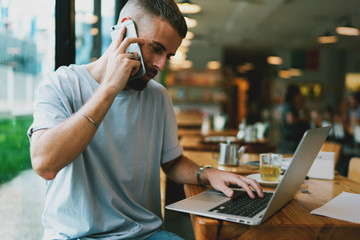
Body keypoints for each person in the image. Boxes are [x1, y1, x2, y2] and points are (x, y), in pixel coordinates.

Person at [27, 0, 263, 239]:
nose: (160, 65)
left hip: (144, 234)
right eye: (156, 48)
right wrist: (109, 89)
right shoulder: (60, 85)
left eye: (168, 56)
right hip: (75, 235)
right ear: (123, 29)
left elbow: (171, 161)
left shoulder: (158, 96)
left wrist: (207, 173)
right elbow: (45, 165)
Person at [280, 84, 310, 153]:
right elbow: (290, 120)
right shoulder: (289, 106)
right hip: (291, 141)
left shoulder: (290, 105)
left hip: (292, 140)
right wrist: (302, 119)